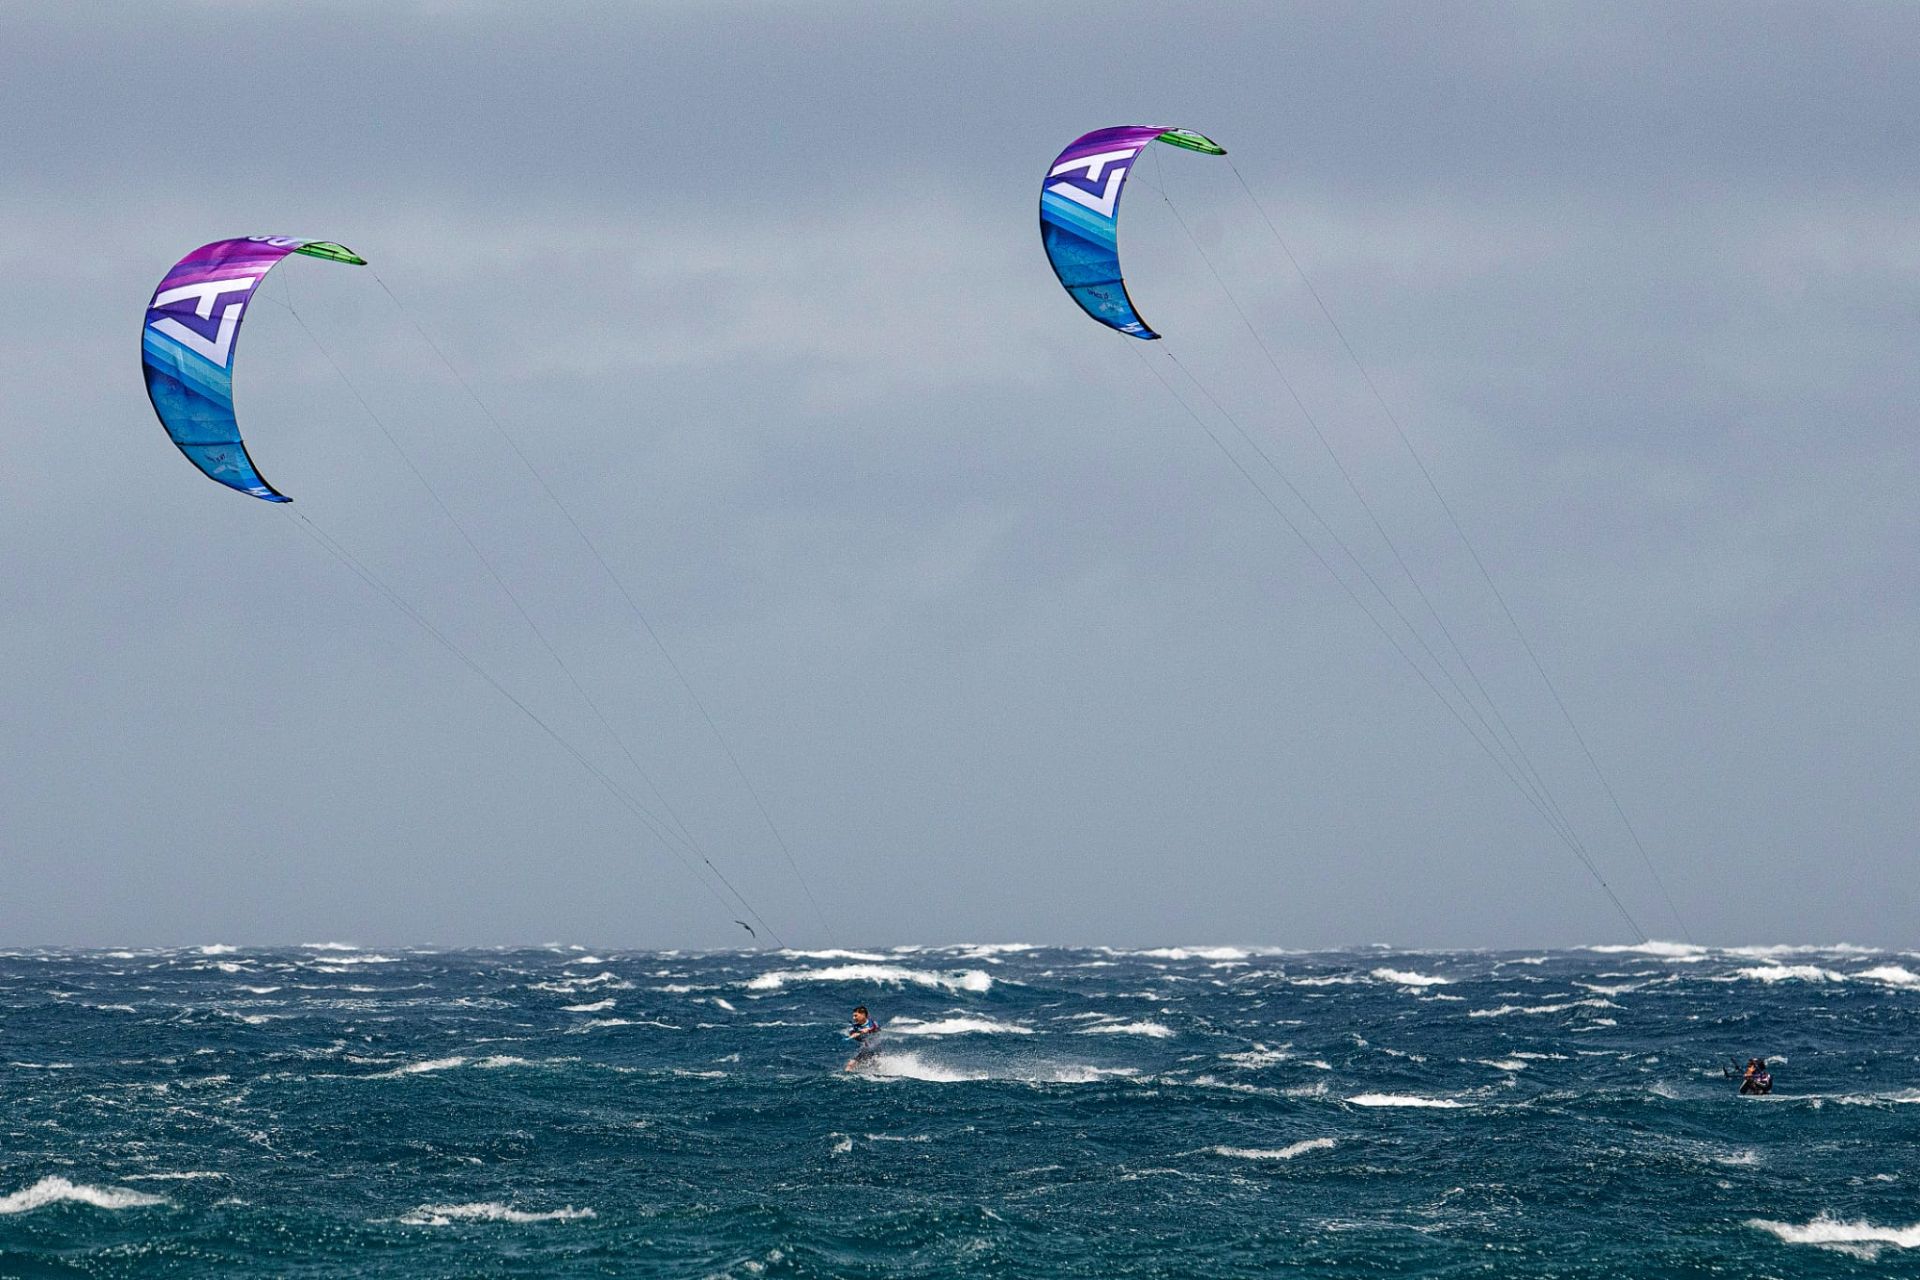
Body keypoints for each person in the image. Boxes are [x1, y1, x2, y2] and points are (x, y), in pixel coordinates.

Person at [845, 1005, 880, 1071]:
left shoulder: (872, 1023)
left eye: (856, 1016)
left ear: (863, 1015)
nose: (853, 1018)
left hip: (876, 1051)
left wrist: (868, 1030)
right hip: (865, 1051)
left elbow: (875, 1028)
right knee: (850, 1065)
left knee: (876, 1067)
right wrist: (855, 1034)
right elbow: (852, 1032)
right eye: (853, 1016)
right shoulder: (855, 1026)